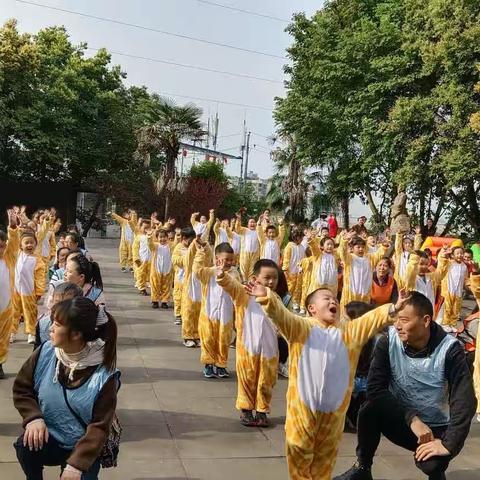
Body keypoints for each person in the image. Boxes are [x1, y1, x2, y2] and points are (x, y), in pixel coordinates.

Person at [244, 280, 409, 480]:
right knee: (299, 453)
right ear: (312, 309)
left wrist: (393, 307)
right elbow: (281, 316)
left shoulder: (349, 333)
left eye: (335, 299)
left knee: (325, 460)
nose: (333, 301)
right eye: (326, 298)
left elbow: (370, 320)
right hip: (302, 412)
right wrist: (266, 297)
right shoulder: (301, 328)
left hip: (334, 415)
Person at [335, 291, 476, 480]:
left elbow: (464, 399)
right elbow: (376, 390)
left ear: (425, 320)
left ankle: (437, 473)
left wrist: (448, 444)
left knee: (433, 463)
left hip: (435, 428)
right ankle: (362, 468)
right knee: (369, 410)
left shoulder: (449, 349)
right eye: (395, 319)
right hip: (403, 421)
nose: (397, 326)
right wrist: (413, 420)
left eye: (403, 320)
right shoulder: (388, 341)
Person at [13, 297, 120, 480]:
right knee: (25, 445)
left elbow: (99, 426)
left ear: (76, 334)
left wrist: (76, 465)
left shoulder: (104, 377)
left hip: (83, 446)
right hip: (50, 437)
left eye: (56, 324)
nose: (50, 328)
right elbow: (22, 388)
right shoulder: (45, 352)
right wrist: (33, 418)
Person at [216, 259, 280, 427]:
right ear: (254, 278)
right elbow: (231, 285)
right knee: (247, 378)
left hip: (269, 350)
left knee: (266, 381)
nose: (271, 282)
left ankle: (262, 410)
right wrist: (222, 274)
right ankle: (246, 410)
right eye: (267, 278)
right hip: (247, 347)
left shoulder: (276, 298)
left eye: (275, 278)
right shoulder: (243, 294)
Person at [193, 241, 236, 378]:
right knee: (208, 338)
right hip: (209, 313)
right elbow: (197, 270)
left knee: (224, 339)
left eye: (231, 259)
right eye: (225, 259)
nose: (228, 262)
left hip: (226, 315)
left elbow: (238, 290)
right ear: (217, 259)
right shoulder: (209, 272)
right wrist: (201, 252)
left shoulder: (234, 273)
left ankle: (221, 364)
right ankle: (209, 364)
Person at [12, 229, 46, 345]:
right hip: (15, 290)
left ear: (36, 244)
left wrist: (39, 290)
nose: (29, 245)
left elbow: (40, 277)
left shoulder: (37, 260)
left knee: (30, 313)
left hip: (29, 291)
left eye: (32, 242)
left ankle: (31, 333)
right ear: (20, 245)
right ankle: (12, 332)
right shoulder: (17, 255)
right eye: (26, 242)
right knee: (13, 312)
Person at [338, 232, 387, 310]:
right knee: (347, 316)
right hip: (350, 295)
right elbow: (342, 252)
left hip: (365, 295)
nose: (361, 249)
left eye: (362, 247)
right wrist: (345, 240)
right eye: (358, 247)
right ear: (352, 248)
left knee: (362, 317)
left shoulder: (369, 258)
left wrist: (384, 245)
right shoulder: (349, 258)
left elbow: (379, 254)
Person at [0, 209, 20, 378]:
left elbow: (14, 242)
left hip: (5, 309)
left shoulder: (9, 258)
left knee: (3, 339)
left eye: (1, 245)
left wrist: (12, 226)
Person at [35, 282, 84, 348]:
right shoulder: (42, 324)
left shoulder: (82, 324)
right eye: (57, 302)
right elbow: (37, 350)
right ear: (52, 301)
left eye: (66, 303)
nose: (61, 307)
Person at [171, 227, 196, 326]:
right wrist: (186, 260)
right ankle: (178, 315)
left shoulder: (194, 247)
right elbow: (175, 260)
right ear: (184, 238)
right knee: (178, 297)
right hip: (180, 278)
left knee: (189, 297)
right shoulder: (178, 247)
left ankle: (187, 314)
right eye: (191, 239)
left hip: (191, 278)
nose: (192, 241)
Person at [441, 246, 468, 332]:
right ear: (452, 255)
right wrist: (445, 253)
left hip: (459, 291)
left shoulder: (464, 266)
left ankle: (452, 324)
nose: (460, 255)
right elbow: (442, 262)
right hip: (449, 289)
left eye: (461, 253)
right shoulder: (449, 263)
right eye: (457, 253)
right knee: (447, 307)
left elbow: (466, 279)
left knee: (456, 308)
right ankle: (445, 323)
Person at [148, 228, 174, 309]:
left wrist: (177, 235)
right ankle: (155, 300)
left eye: (164, 237)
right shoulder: (155, 245)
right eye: (160, 237)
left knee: (166, 286)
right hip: (156, 269)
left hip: (167, 269)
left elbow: (176, 243)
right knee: (155, 285)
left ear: (167, 237)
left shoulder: (170, 245)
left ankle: (164, 301)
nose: (162, 239)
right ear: (157, 238)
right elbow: (150, 245)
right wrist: (149, 237)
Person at [282, 230, 306, 311]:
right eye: (301, 237)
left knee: (298, 287)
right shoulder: (289, 246)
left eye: (302, 237)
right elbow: (286, 259)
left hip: (299, 272)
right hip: (290, 271)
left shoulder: (302, 247)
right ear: (295, 237)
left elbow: (304, 259)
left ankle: (295, 302)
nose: (302, 239)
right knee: (290, 287)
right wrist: (285, 270)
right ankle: (286, 302)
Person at [235, 210, 260, 281]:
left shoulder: (258, 232)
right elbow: (237, 228)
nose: (252, 223)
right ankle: (243, 283)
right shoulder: (244, 230)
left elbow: (264, 230)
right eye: (250, 222)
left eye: (254, 222)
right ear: (248, 224)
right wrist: (239, 219)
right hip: (245, 254)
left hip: (254, 255)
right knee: (243, 270)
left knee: (252, 271)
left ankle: (250, 284)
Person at [131, 219, 152, 296]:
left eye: (148, 227)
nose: (146, 229)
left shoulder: (152, 237)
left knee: (151, 275)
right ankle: (142, 288)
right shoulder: (138, 237)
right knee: (140, 274)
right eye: (145, 227)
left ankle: (152, 287)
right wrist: (136, 258)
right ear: (141, 228)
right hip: (141, 260)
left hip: (151, 260)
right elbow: (135, 248)